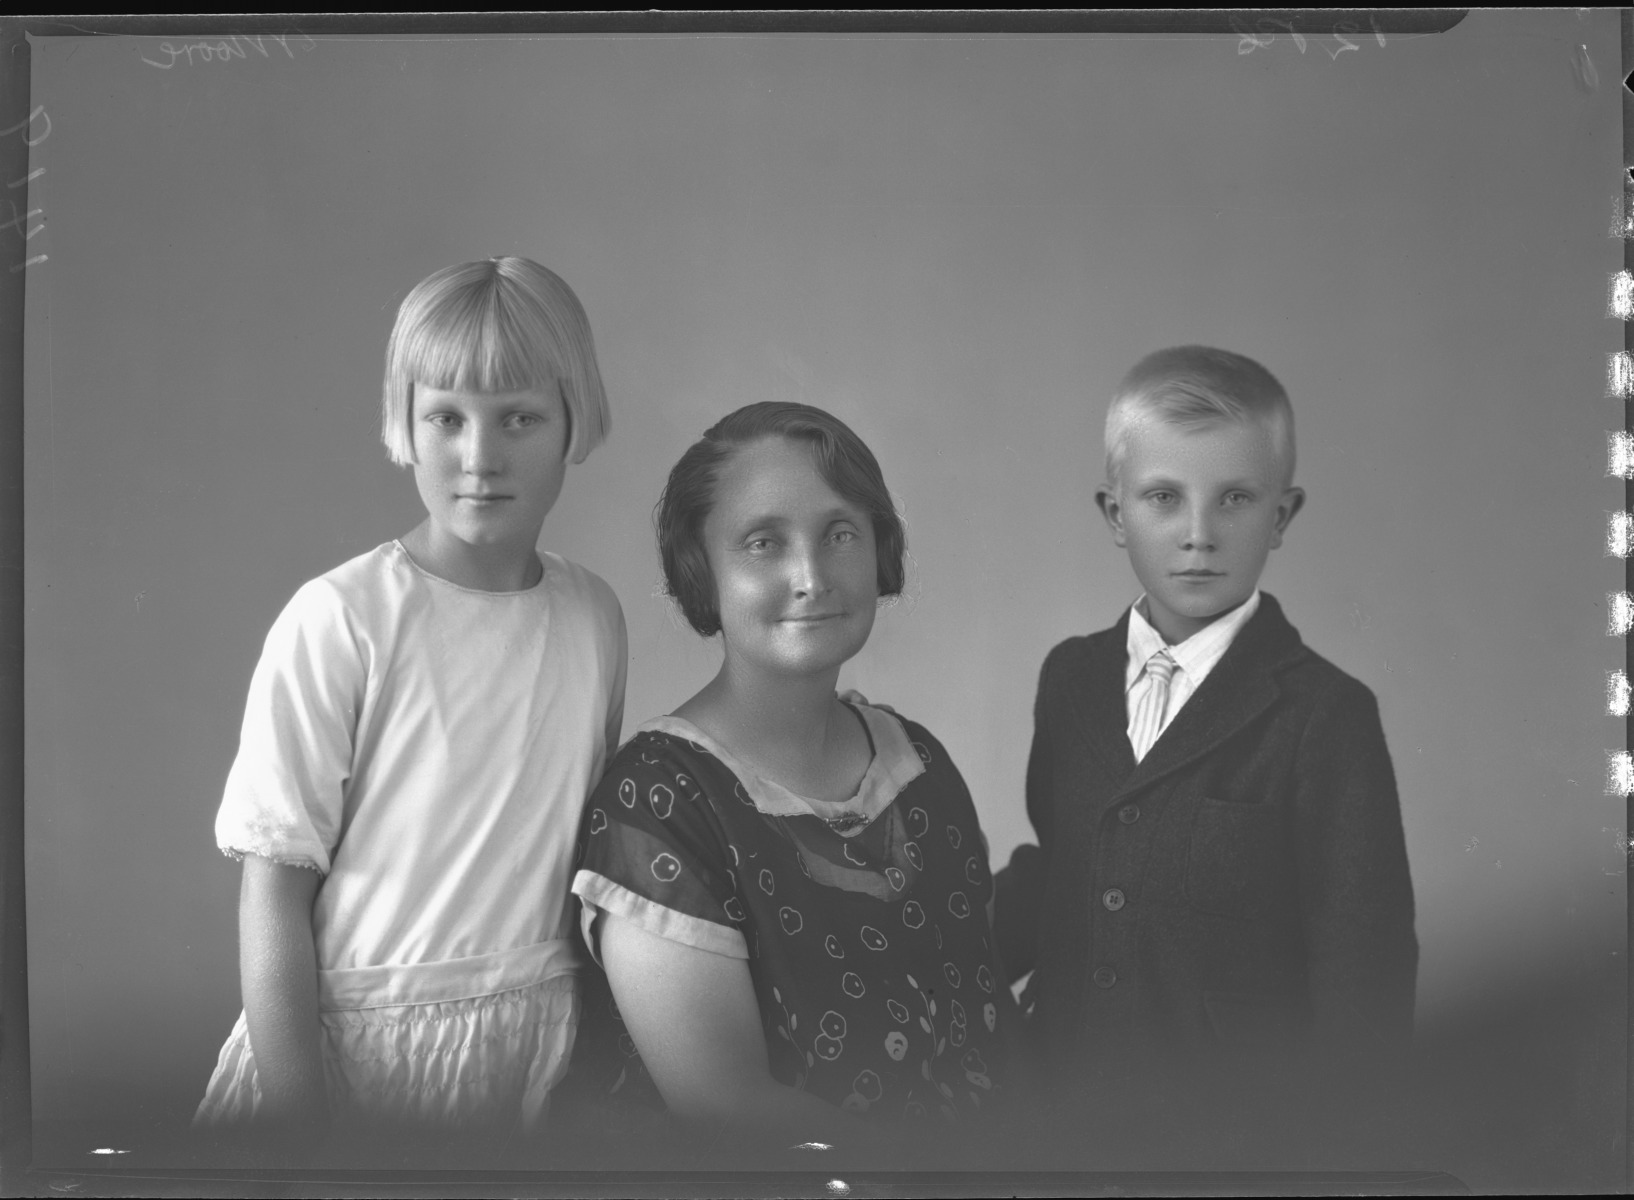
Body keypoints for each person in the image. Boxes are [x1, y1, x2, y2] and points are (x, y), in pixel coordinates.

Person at [193, 258, 627, 1153]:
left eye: (519, 417)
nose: (481, 457)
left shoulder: (593, 618)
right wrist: (301, 1138)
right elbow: (272, 895)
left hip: (533, 1058)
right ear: (406, 423)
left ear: (572, 421)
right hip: (346, 1064)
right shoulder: (342, 619)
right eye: (446, 418)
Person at [994, 346, 1417, 1160]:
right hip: (1063, 1108)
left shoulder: (1326, 714)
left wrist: (1347, 1153)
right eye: (1163, 498)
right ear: (1116, 515)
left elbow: (1363, 961)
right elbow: (1068, 862)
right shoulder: (1072, 677)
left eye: (1234, 499)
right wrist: (928, 948)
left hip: (1237, 1135)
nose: (1198, 535)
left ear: (1282, 516)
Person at [570, 402, 1009, 1160]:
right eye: (763, 543)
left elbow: (987, 1023)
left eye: (839, 534)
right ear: (700, 569)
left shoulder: (920, 765)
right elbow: (726, 1108)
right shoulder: (658, 802)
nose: (811, 577)